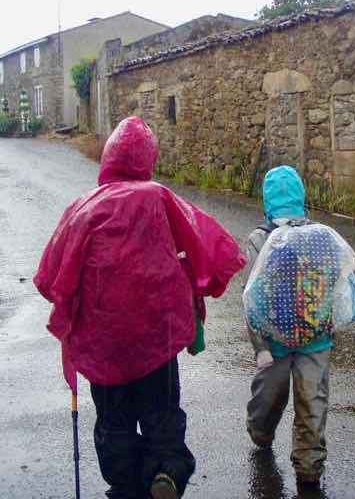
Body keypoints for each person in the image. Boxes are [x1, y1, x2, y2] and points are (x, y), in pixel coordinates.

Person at [34, 116, 246, 499]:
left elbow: (51, 276)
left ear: (109, 157)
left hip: (103, 342)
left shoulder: (84, 208)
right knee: (161, 412)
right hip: (156, 336)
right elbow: (208, 242)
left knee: (113, 419)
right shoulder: (159, 198)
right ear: (149, 158)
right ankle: (165, 471)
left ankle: (124, 484)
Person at [243, 165, 355, 494]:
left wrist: (260, 345)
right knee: (306, 400)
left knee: (285, 398)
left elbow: (250, 298)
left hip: (287, 342)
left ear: (266, 203)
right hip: (308, 338)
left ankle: (292, 455)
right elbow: (337, 283)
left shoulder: (267, 238)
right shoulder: (314, 236)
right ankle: (283, 448)